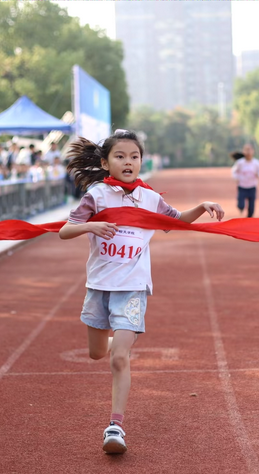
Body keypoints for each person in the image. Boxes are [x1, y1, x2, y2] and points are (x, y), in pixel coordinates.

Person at [59, 130, 224, 454]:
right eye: (120, 156)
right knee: (97, 353)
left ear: (141, 161)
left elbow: (176, 221)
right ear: (106, 163)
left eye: (134, 156)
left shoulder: (149, 198)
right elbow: (65, 231)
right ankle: (115, 338)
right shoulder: (97, 195)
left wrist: (202, 207)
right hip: (99, 287)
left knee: (120, 358)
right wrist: (91, 225)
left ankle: (115, 427)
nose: (128, 162)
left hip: (132, 289)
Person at [231, 143, 259, 217]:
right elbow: (234, 171)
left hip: (252, 187)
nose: (248, 152)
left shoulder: (256, 163)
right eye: (246, 150)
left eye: (250, 150)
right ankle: (241, 209)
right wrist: (236, 178)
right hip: (242, 187)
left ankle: (248, 222)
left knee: (251, 210)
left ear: (253, 151)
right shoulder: (240, 163)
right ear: (243, 151)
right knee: (240, 205)